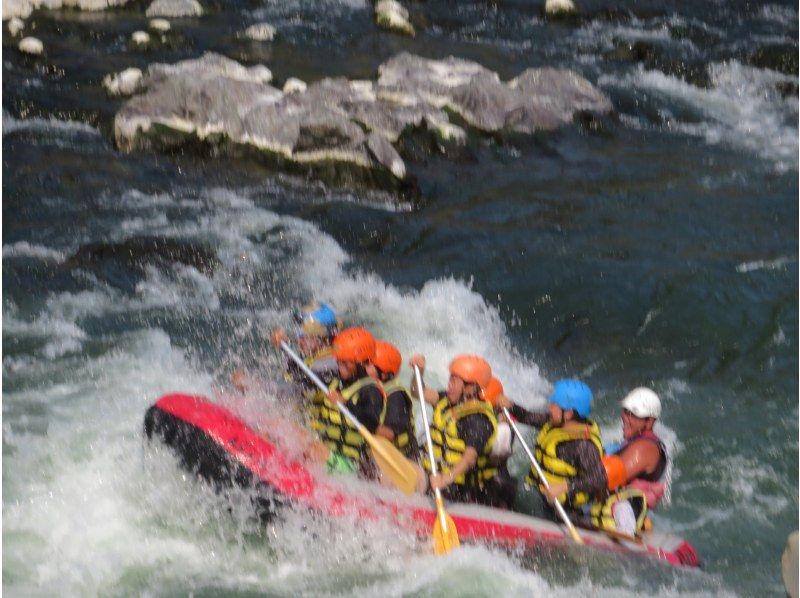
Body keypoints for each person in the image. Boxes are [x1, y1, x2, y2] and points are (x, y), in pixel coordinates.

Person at [496, 379, 607, 523]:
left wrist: (564, 487)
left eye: (553, 405)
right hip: (538, 493)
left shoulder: (583, 445)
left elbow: (599, 480)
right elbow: (528, 417)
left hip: (558, 508)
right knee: (500, 480)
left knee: (503, 486)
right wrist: (511, 406)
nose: (549, 407)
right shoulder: (555, 423)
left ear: (568, 413)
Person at [409, 353, 500, 506]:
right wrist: (419, 372)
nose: (450, 384)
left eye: (455, 381)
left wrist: (445, 479)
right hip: (429, 473)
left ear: (471, 387)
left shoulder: (477, 420)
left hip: (452, 488)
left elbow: (469, 459)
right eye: (451, 378)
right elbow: (417, 392)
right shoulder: (447, 399)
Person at [591, 387, 669, 534]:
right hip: (612, 513)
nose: (625, 418)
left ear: (649, 421)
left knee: (622, 506)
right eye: (625, 412)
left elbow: (606, 478)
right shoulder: (632, 441)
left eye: (633, 415)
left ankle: (626, 535)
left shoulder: (644, 447)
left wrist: (567, 485)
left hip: (625, 512)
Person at [316, 327, 386, 476]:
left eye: (346, 363)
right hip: (328, 452)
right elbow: (303, 379)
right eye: (339, 362)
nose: (341, 368)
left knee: (309, 447)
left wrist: (345, 403)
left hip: (349, 464)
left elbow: (372, 422)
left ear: (362, 362)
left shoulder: (370, 391)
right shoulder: (337, 380)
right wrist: (284, 345)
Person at [268, 302, 340, 431]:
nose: (298, 339)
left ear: (322, 337)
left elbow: (294, 389)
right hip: (301, 426)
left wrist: (252, 384)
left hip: (315, 435)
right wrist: (286, 347)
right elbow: (295, 372)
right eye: (298, 332)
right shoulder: (315, 357)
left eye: (303, 334)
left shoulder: (329, 365)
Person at [368, 340, 419, 460]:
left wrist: (360, 422)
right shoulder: (368, 389)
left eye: (368, 364)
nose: (362, 366)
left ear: (384, 374)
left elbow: (389, 434)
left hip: (400, 459)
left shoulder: (396, 396)